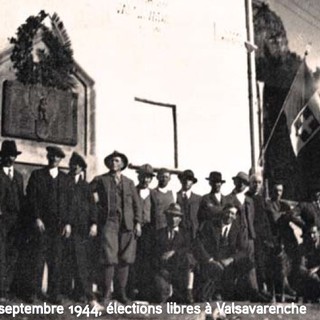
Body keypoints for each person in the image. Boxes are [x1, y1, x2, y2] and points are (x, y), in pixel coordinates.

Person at [90, 151, 142, 304]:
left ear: (122, 164)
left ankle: (121, 293)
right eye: (111, 161)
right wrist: (95, 205)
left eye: (117, 161)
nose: (114, 163)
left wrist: (138, 222)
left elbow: (136, 204)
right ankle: (106, 293)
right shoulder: (101, 180)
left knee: (125, 258)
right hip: (109, 222)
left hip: (127, 224)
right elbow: (87, 193)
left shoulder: (129, 183)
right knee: (109, 257)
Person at [27, 146, 71, 304]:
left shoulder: (65, 179)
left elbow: (68, 204)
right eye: (51, 156)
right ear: (47, 157)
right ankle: (34, 292)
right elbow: (32, 199)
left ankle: (54, 294)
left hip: (58, 227)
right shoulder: (37, 175)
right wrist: (37, 218)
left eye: (57, 157)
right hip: (42, 226)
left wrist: (67, 223)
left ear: (60, 160)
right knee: (38, 259)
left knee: (56, 261)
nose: (54, 159)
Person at [62, 152, 103, 310]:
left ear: (82, 168)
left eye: (78, 165)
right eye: (73, 164)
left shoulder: (85, 186)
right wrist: (66, 223)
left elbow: (92, 206)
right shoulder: (64, 182)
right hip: (68, 228)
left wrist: (94, 224)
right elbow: (63, 204)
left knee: (83, 262)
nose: (75, 167)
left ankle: (82, 294)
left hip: (84, 229)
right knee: (70, 261)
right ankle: (85, 296)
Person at [194, 204, 252, 301]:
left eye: (232, 214)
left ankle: (241, 292)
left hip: (228, 260)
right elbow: (199, 243)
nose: (229, 215)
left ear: (235, 216)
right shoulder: (210, 225)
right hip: (212, 259)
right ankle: (210, 294)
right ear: (223, 212)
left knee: (247, 263)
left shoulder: (238, 228)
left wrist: (230, 259)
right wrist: (209, 259)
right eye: (228, 212)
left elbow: (243, 250)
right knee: (204, 293)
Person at [154, 203, 195, 303]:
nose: (173, 219)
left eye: (176, 216)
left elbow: (189, 248)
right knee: (162, 296)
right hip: (163, 269)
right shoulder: (159, 234)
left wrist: (173, 252)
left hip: (180, 269)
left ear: (180, 219)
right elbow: (154, 253)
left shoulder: (185, 234)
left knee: (181, 299)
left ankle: (188, 291)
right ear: (166, 217)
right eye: (170, 216)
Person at [0, 140, 24, 302]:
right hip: (1, 220)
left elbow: (22, 199)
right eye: (7, 155)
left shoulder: (19, 176)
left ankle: (7, 288)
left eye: (13, 156)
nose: (10, 158)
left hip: (16, 221)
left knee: (12, 254)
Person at [129, 164, 155, 300]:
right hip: (135, 228)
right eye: (144, 177)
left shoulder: (153, 194)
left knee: (147, 260)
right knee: (134, 259)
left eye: (149, 178)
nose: (146, 180)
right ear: (139, 177)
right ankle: (132, 290)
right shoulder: (133, 191)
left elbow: (155, 213)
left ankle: (145, 291)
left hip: (149, 230)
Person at [246, 172, 274, 297]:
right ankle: (258, 289)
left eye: (259, 183)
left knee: (265, 262)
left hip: (264, 236)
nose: (257, 185)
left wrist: (269, 236)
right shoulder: (247, 198)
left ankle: (266, 288)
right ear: (250, 184)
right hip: (253, 236)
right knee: (257, 262)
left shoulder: (263, 199)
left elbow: (267, 219)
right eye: (254, 182)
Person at [296, 225, 320, 302]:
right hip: (310, 273)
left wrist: (315, 269)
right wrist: (306, 270)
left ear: (319, 233)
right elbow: (301, 263)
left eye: (314, 233)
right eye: (309, 234)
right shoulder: (305, 246)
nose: (312, 236)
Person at [176, 169, 201, 239]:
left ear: (192, 182)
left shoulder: (198, 199)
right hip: (179, 235)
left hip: (194, 235)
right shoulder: (175, 196)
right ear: (181, 180)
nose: (187, 182)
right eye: (184, 179)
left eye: (189, 180)